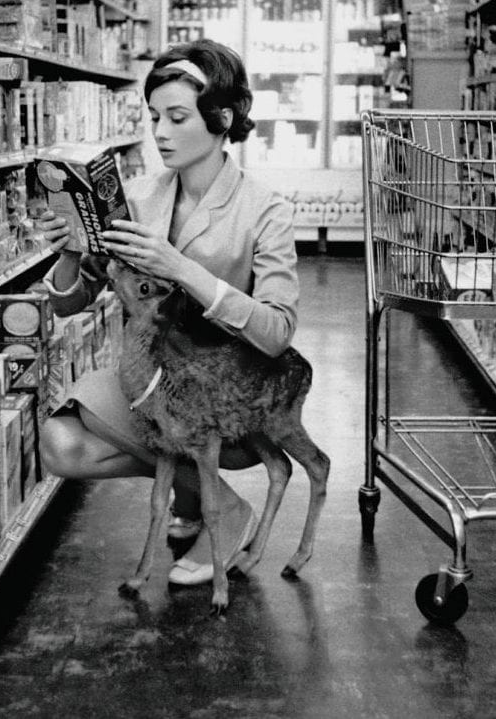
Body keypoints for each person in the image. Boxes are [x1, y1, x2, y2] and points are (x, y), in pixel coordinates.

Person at [38, 39, 300, 587]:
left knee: (105, 419)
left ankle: (212, 504)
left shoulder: (266, 210)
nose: (160, 132)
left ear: (221, 118)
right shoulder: (135, 198)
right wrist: (70, 251)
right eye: (154, 117)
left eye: (177, 118)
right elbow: (68, 304)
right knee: (61, 444)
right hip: (155, 380)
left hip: (226, 393)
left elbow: (277, 332)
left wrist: (182, 268)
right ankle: (208, 498)